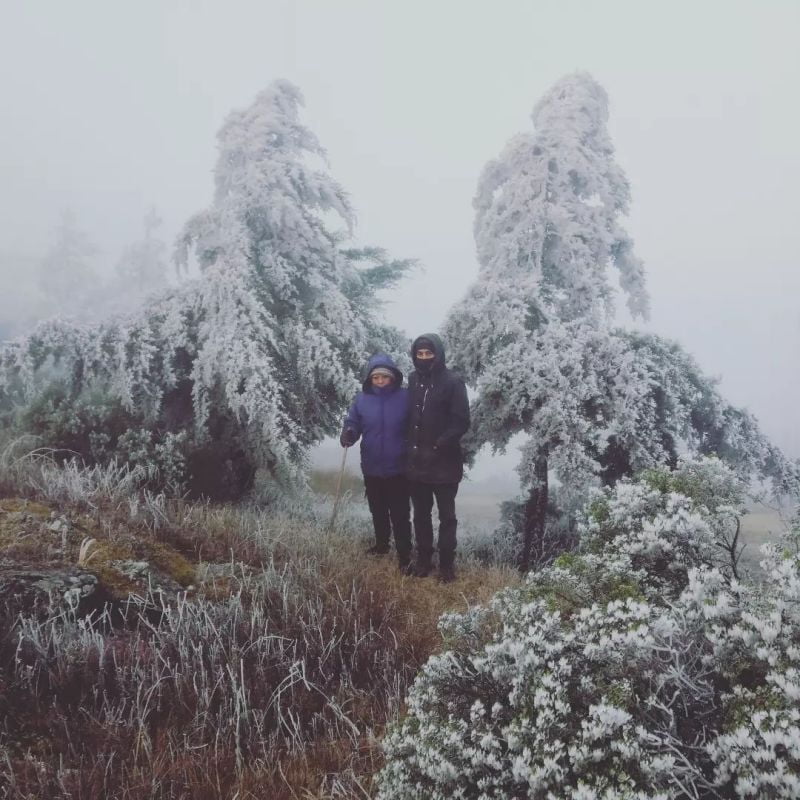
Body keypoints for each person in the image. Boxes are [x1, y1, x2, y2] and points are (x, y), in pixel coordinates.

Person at [340, 353, 413, 573]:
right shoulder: (362, 399)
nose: (380, 381)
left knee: (400, 513)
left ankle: (404, 555)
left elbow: (416, 425)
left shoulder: (405, 397)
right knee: (378, 510)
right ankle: (381, 545)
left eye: (384, 377)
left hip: (399, 467)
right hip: (371, 465)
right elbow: (353, 421)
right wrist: (349, 433)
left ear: (393, 377)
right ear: (370, 379)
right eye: (376, 377)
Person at [406, 333, 470, 582]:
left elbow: (461, 421)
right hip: (416, 464)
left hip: (444, 464)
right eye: (419, 354)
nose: (424, 358)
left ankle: (446, 566)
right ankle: (423, 561)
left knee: (447, 517)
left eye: (428, 353)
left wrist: (438, 445)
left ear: (438, 354)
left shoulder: (453, 382)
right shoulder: (412, 380)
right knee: (420, 515)